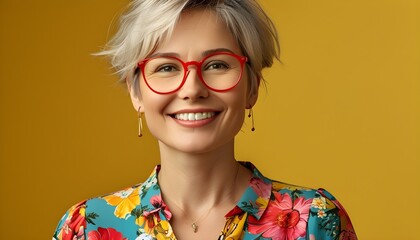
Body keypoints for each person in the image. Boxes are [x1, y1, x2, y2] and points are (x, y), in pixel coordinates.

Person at [53, 0, 357, 239]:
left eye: (216, 64)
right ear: (137, 94)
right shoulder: (86, 228)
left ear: (251, 87)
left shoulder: (315, 222)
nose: (192, 89)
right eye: (167, 68)